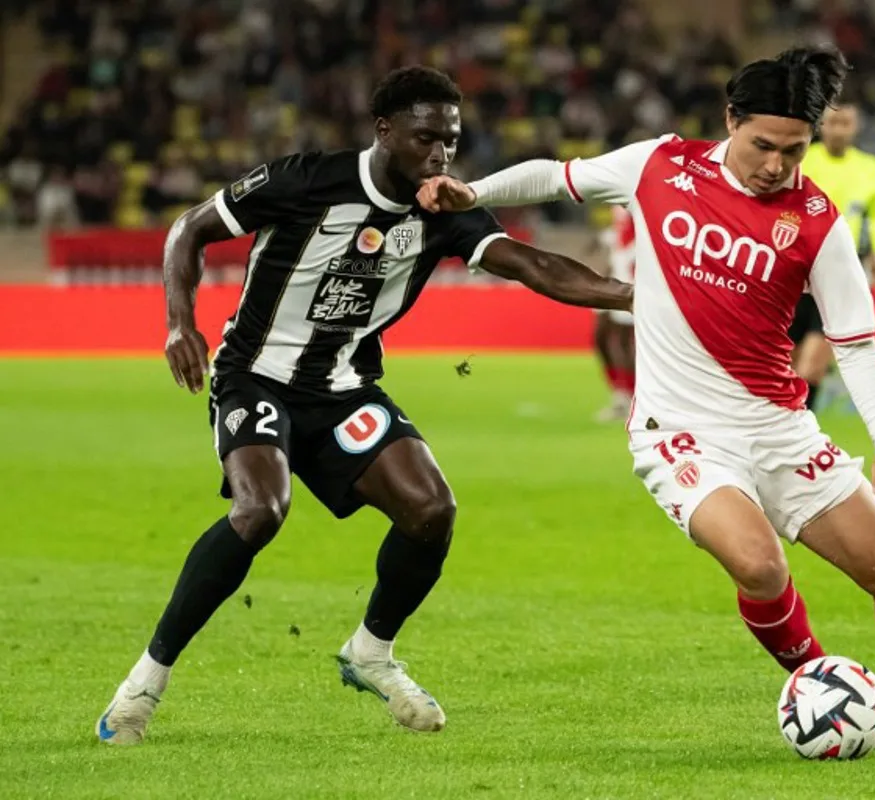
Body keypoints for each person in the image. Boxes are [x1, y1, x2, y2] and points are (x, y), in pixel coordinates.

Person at [419, 46, 875, 744]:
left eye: (795, 150)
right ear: (730, 120)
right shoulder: (661, 163)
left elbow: (855, 339)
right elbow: (561, 177)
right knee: (758, 563)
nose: (777, 165)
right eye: (763, 145)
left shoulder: (816, 220)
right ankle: (827, 692)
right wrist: (473, 193)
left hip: (781, 427)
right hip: (679, 430)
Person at [96, 67, 632, 745]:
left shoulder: (447, 208)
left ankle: (371, 652)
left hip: (345, 387)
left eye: (452, 140)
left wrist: (635, 297)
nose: (440, 155)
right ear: (384, 130)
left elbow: (534, 266)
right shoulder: (305, 180)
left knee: (432, 508)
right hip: (255, 377)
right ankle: (144, 682)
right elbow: (190, 229)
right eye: (425, 138)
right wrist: (179, 322)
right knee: (261, 509)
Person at [789, 101, 875, 411]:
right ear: (821, 126)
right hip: (797, 272)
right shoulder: (803, 160)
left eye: (845, 123)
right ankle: (788, 429)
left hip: (842, 274)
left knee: (812, 364)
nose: (838, 130)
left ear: (856, 127)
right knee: (789, 361)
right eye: (832, 123)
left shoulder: (870, 167)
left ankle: (802, 427)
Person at [592, 205, 637, 422]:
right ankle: (620, 394)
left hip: (632, 268)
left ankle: (631, 398)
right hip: (616, 268)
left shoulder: (636, 191)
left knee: (623, 338)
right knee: (601, 337)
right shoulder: (615, 202)